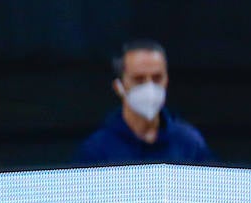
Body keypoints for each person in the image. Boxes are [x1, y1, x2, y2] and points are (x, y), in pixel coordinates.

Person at [75, 39, 212, 165]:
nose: (149, 87)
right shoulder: (97, 150)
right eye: (139, 79)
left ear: (167, 80)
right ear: (119, 86)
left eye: (157, 78)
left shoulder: (190, 143)